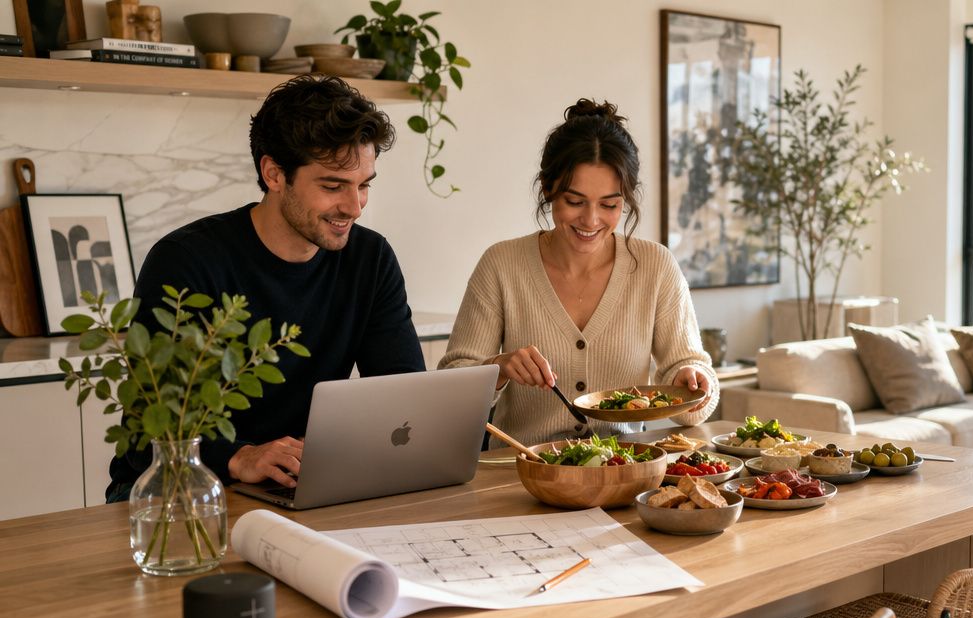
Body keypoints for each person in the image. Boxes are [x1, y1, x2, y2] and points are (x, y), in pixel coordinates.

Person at [106, 75, 425, 501]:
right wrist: (241, 457)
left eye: (363, 185)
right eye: (333, 186)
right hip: (177, 492)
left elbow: (404, 401)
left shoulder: (370, 259)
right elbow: (153, 429)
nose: (354, 207)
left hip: (298, 488)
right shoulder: (185, 261)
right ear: (274, 173)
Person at [439, 99, 718, 445]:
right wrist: (498, 368)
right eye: (574, 201)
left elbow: (690, 385)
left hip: (625, 470)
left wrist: (691, 380)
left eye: (610, 205)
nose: (591, 220)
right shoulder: (501, 265)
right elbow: (448, 392)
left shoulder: (655, 266)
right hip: (523, 474)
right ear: (547, 188)